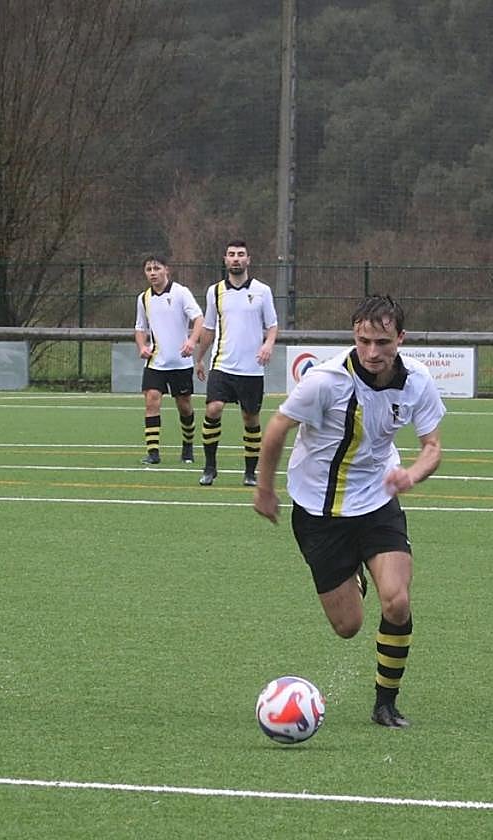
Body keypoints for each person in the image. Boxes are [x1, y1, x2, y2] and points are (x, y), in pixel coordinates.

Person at [253, 295, 445, 729]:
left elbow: (432, 447)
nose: (372, 352)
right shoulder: (325, 381)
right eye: (363, 341)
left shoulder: (417, 380)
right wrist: (264, 489)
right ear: (354, 337)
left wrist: (412, 474)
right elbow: (277, 428)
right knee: (348, 626)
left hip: (377, 500)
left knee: (397, 600)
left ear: (401, 338)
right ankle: (354, 573)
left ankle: (385, 703)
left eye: (383, 342)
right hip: (319, 510)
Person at [194, 240, 278, 486]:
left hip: (251, 368)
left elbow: (272, 325)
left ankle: (250, 473)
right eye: (231, 254)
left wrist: (268, 344)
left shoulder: (262, 291)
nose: (236, 258)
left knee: (251, 418)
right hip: (222, 364)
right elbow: (209, 327)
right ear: (225, 259)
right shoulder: (215, 291)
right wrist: (199, 358)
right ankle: (209, 467)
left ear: (248, 260)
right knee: (213, 409)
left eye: (241, 254)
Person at [134, 255, 204, 464]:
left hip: (180, 362)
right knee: (152, 400)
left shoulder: (181, 293)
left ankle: (188, 446)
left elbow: (199, 318)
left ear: (166, 270)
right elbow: (140, 327)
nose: (153, 273)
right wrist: (142, 346)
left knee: (184, 405)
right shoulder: (143, 298)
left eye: (156, 268)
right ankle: (153, 453)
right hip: (156, 362)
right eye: (149, 269)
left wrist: (191, 341)